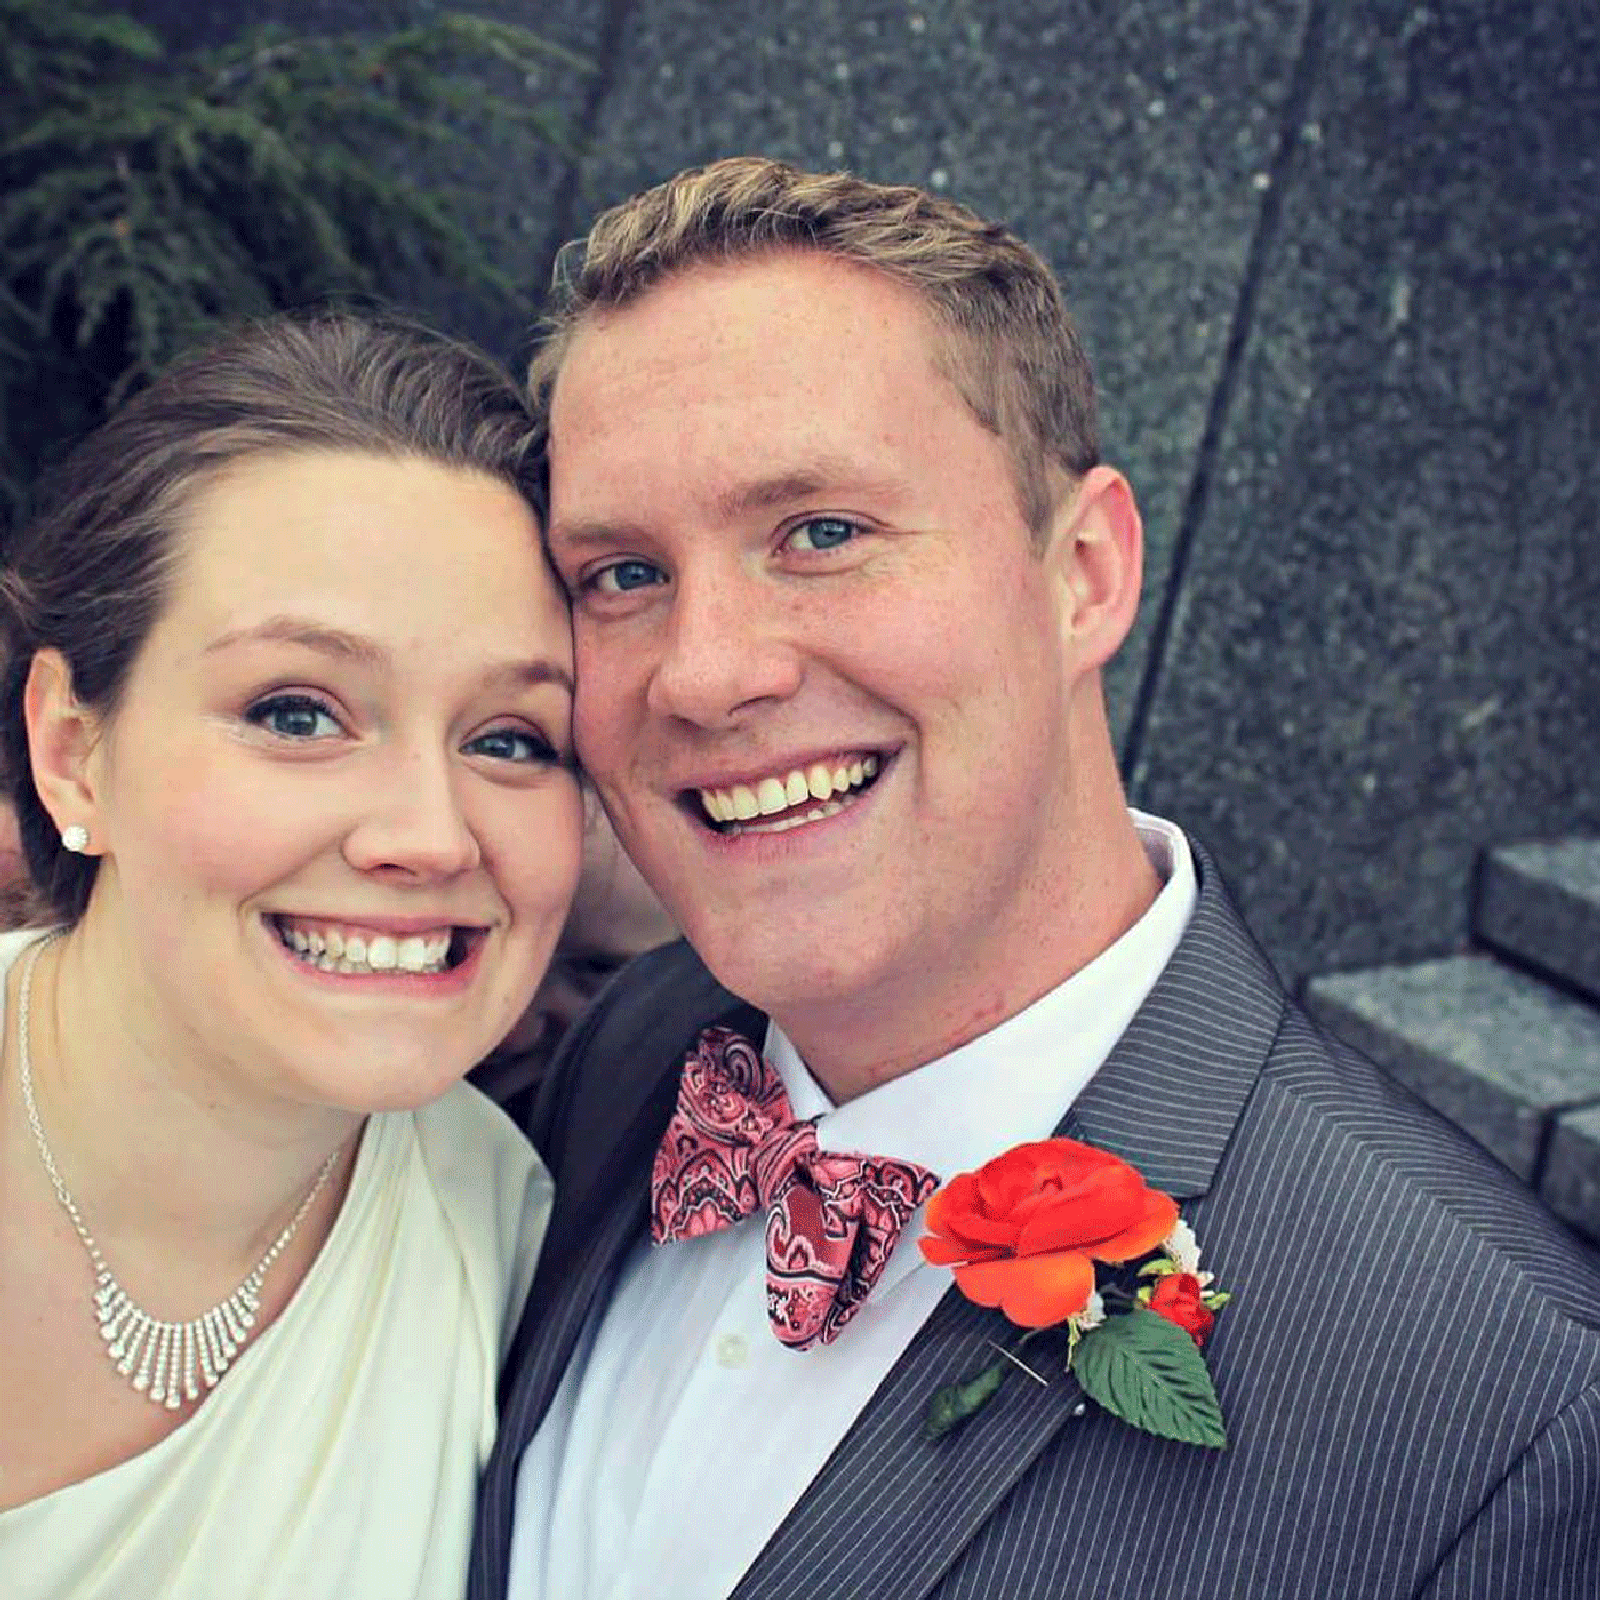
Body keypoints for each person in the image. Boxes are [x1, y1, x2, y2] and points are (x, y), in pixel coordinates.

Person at [473, 158, 1600, 1600]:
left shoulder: (1508, 1412)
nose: (703, 673)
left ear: (1084, 574)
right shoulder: (634, 1050)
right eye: (623, 575)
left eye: (822, 533)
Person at [0, 313, 583, 1598]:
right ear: (71, 751)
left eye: (510, 739)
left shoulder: (513, 1246)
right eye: (296, 713)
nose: (430, 836)